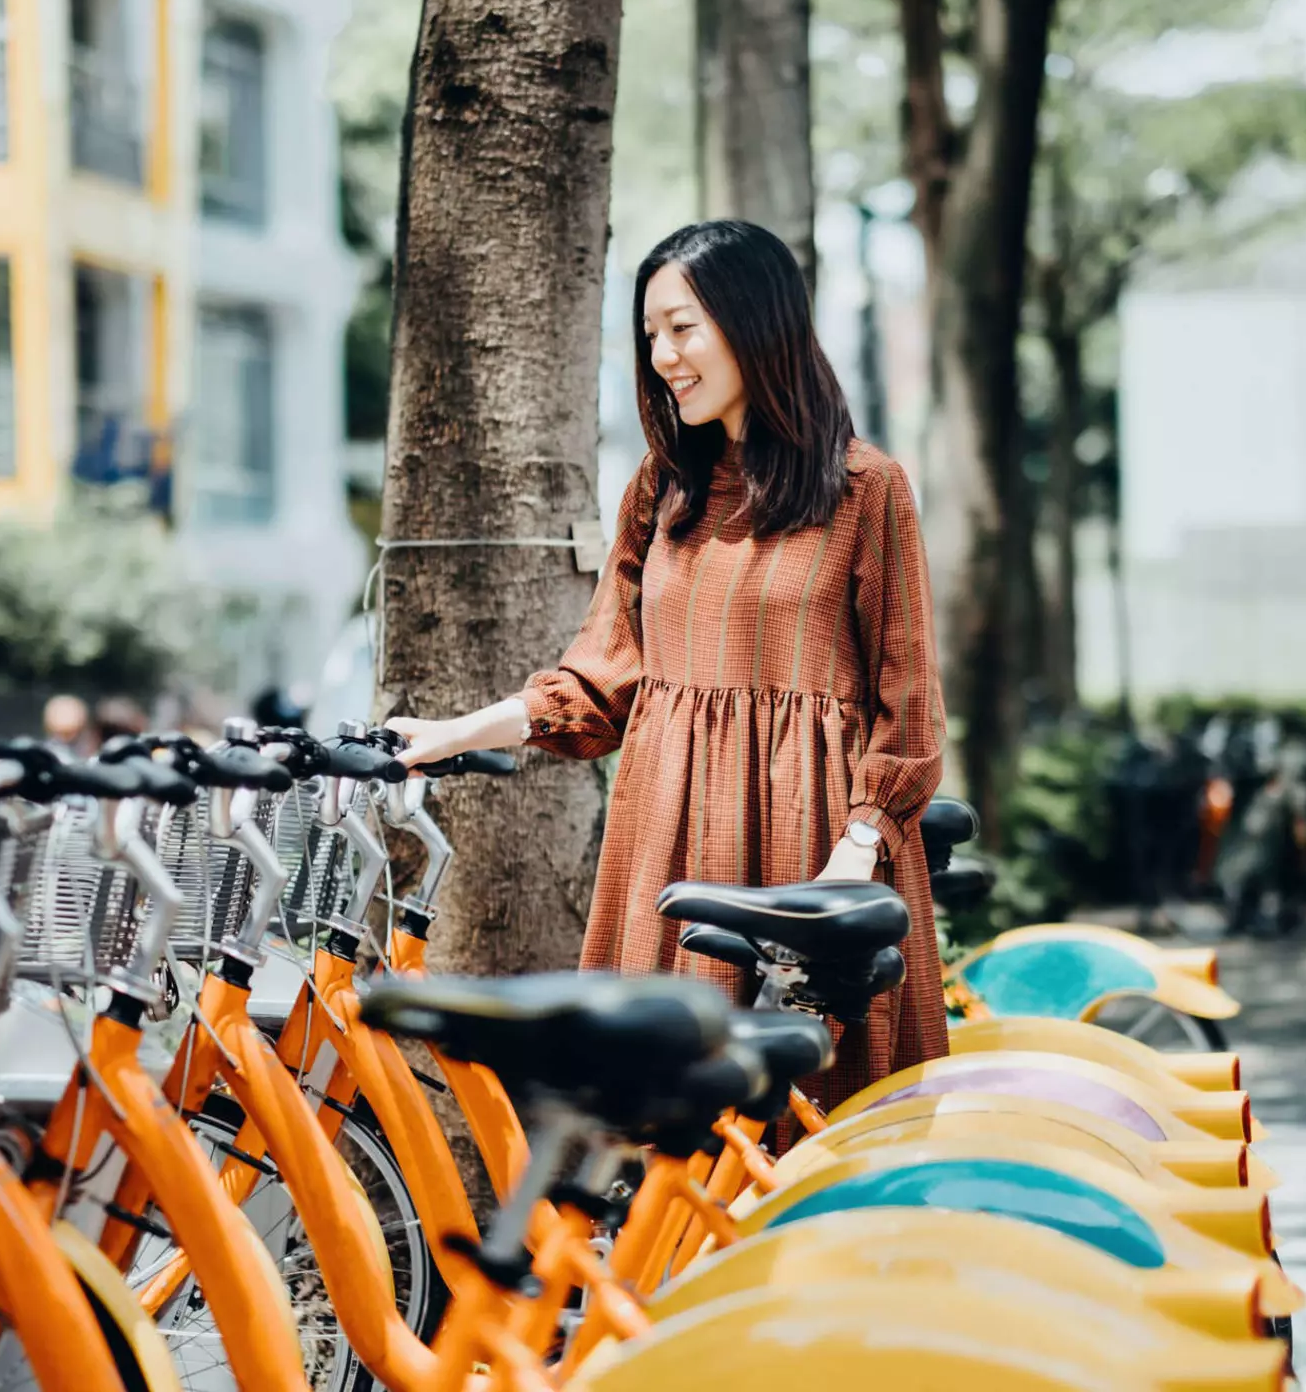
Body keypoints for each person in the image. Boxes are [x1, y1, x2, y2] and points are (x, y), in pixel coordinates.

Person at [384, 220, 949, 1105]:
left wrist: (858, 848)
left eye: (681, 327)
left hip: (812, 838)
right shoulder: (662, 489)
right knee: (668, 1125)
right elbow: (603, 678)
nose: (661, 355)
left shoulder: (863, 488)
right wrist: (455, 733)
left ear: (753, 322)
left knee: (814, 1126)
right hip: (669, 835)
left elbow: (906, 701)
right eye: (649, 333)